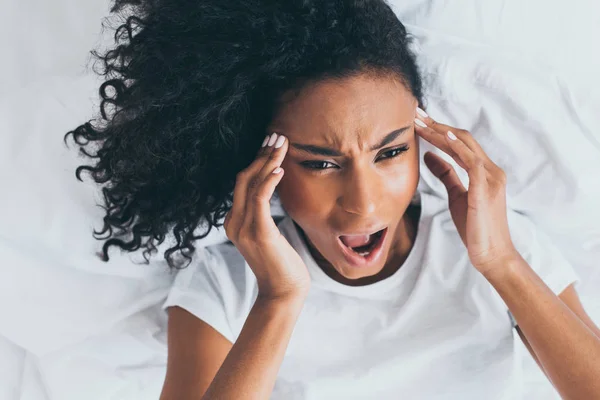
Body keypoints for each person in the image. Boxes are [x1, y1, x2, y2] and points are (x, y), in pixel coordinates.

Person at [64, 0, 600, 399]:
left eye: (390, 153)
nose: (364, 205)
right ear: (264, 165)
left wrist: (501, 263)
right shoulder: (227, 286)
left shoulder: (495, 248)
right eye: (320, 163)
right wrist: (278, 299)